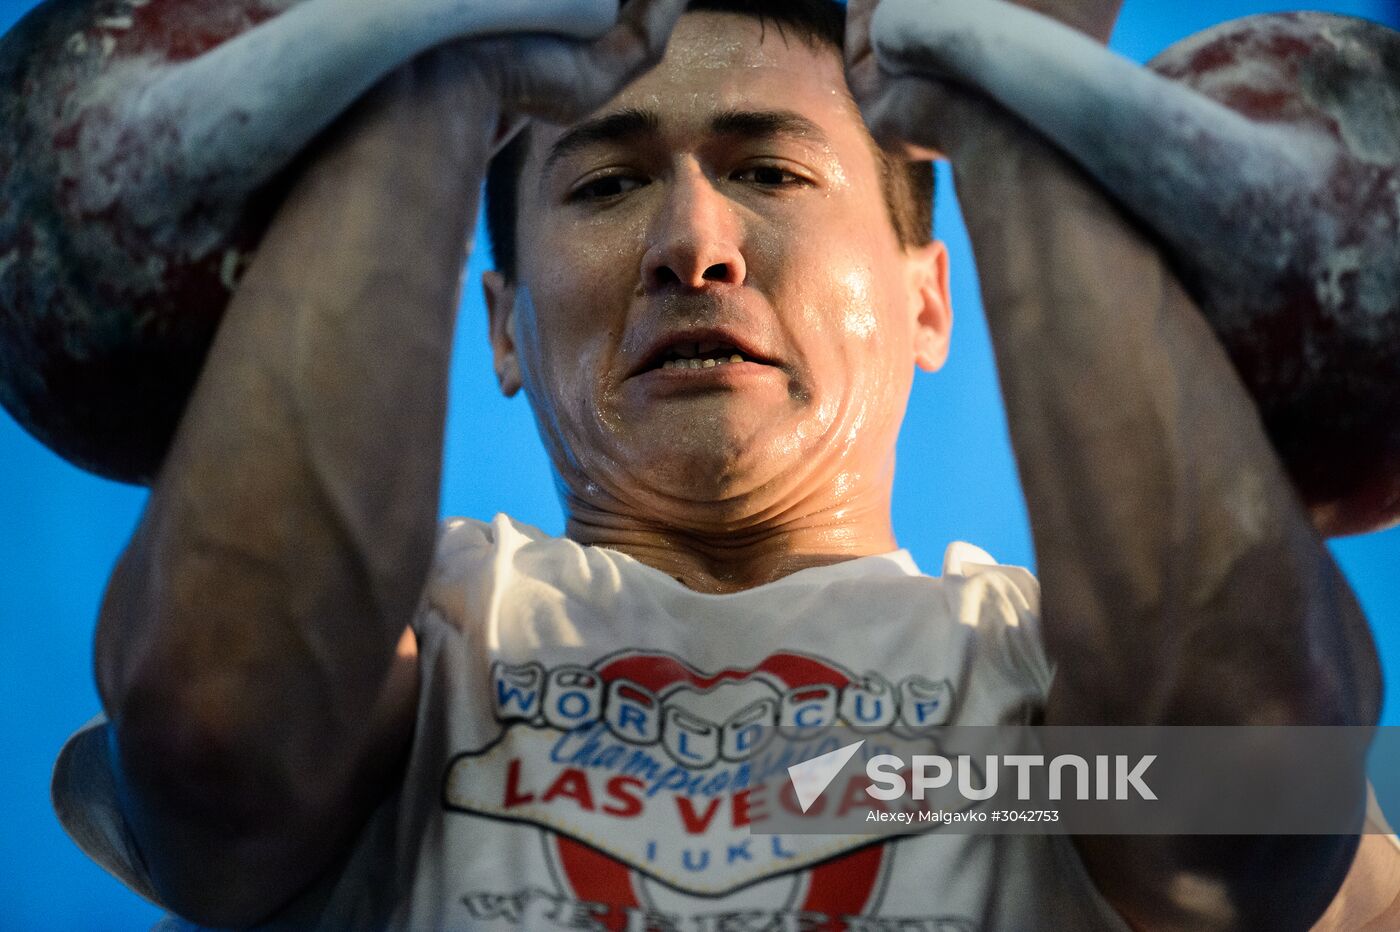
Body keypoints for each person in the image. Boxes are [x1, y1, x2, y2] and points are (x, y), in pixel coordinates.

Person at [48, 0, 1398, 928]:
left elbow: (1251, 800)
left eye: (772, 171)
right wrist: (436, 76)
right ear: (504, 326)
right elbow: (214, 739)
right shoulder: (421, 651)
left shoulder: (1042, 702)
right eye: (604, 184)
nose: (694, 240)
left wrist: (1005, 119)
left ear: (933, 300)